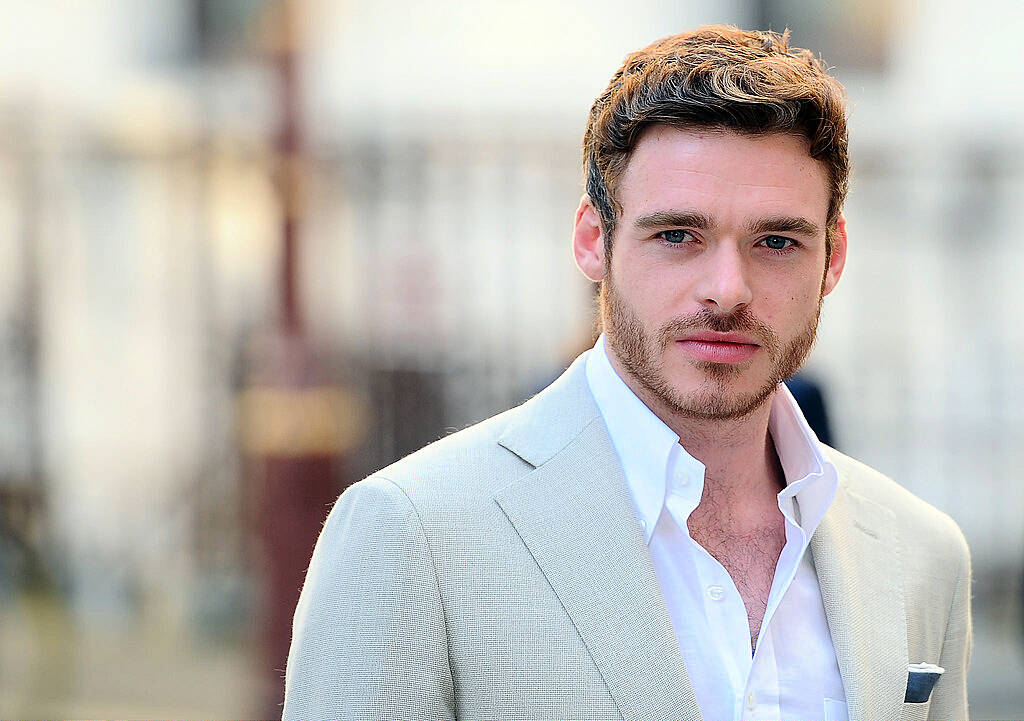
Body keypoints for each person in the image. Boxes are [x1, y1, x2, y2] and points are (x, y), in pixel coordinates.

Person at [283, 26, 971, 721]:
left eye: (776, 241)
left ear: (833, 255)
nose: (727, 288)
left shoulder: (921, 553)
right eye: (677, 234)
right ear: (592, 240)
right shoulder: (413, 531)